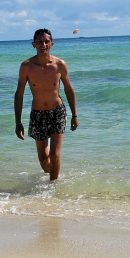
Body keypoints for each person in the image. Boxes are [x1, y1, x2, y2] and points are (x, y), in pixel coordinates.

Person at [15, 28, 78, 181]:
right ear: (33, 44)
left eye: (46, 41)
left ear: (52, 44)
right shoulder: (26, 66)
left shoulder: (59, 65)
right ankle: (53, 177)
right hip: (37, 114)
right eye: (39, 42)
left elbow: (69, 90)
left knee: (55, 155)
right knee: (44, 160)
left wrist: (74, 115)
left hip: (57, 112)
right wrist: (18, 123)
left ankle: (53, 189)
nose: (43, 44)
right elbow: (19, 94)